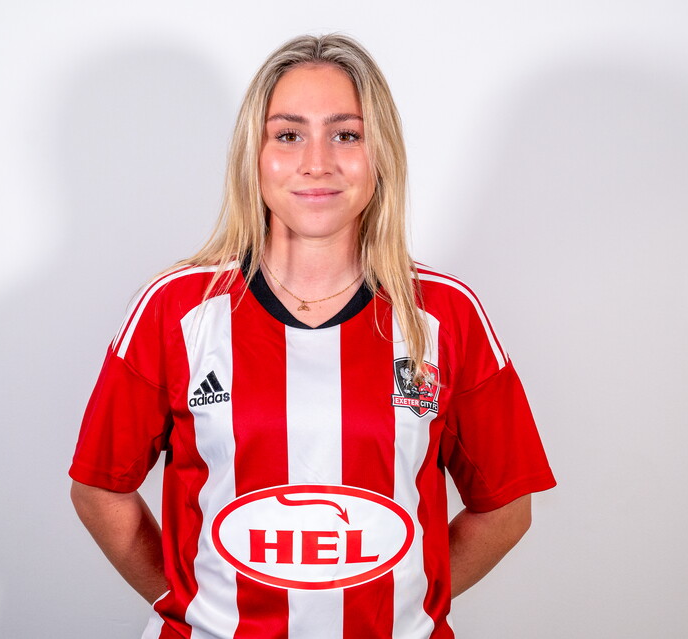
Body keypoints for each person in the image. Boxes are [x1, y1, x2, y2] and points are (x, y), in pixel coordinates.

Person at [69, 33, 555, 638]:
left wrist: (406, 604)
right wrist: (186, 599)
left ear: (381, 155)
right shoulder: (176, 310)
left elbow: (506, 506)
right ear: (255, 153)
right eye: (289, 134)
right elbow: (98, 487)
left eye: (346, 134)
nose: (317, 161)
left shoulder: (445, 316)